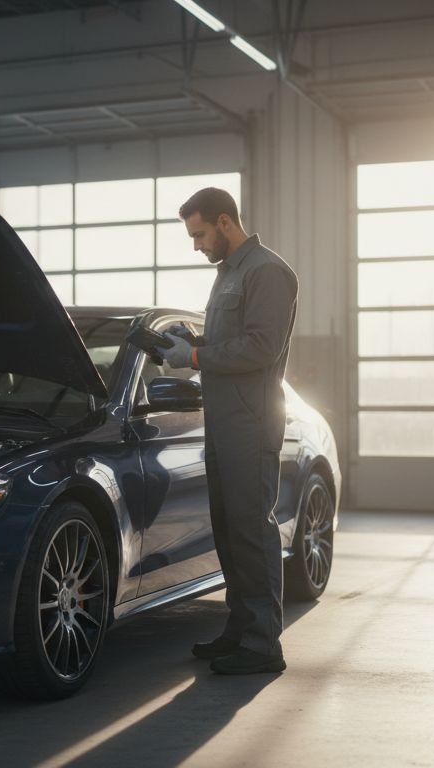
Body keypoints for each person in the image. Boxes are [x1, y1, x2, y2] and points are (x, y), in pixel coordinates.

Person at [161, 187, 298, 675]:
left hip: (251, 422)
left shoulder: (268, 272)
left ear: (224, 221)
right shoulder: (227, 276)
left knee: (251, 530)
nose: (195, 244)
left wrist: (195, 357)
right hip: (221, 421)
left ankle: (263, 645)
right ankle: (240, 629)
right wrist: (189, 342)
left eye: (198, 234)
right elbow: (228, 343)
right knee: (228, 526)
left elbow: (260, 347)